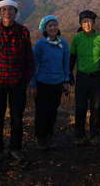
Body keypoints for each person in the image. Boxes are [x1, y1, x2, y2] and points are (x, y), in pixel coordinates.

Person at [0, 0, 34, 163]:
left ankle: (15, 148)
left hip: (17, 83)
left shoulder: (23, 31)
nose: (8, 13)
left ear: (15, 12)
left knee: (17, 118)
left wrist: (25, 80)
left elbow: (28, 58)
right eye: (4, 10)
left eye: (11, 10)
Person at [70, 10, 100, 145]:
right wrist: (69, 73)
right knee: (80, 107)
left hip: (96, 77)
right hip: (82, 77)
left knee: (96, 107)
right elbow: (72, 57)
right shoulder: (77, 38)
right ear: (80, 24)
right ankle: (79, 135)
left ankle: (94, 134)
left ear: (94, 22)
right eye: (84, 22)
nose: (87, 24)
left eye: (89, 21)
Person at [30, 15, 70, 150]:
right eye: (49, 26)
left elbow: (66, 64)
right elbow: (34, 65)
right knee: (42, 111)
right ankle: (40, 138)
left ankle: (49, 136)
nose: (53, 27)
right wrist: (33, 84)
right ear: (45, 29)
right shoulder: (40, 45)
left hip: (57, 83)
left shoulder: (63, 44)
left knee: (53, 111)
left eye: (55, 25)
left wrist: (66, 81)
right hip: (42, 83)